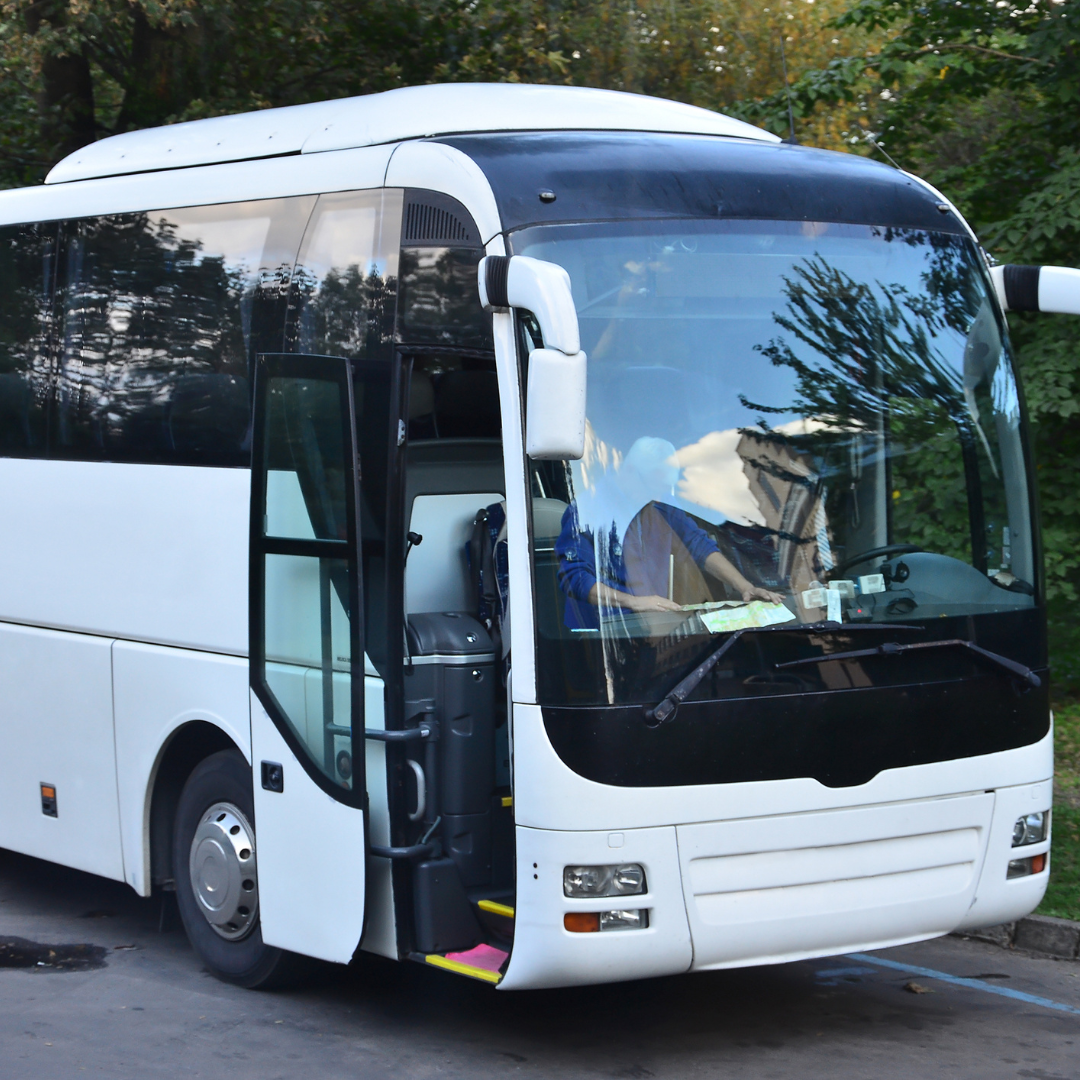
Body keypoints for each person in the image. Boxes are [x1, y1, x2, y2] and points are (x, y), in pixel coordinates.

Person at [555, 436, 784, 630]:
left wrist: (745, 586)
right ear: (630, 471)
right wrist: (634, 602)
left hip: (652, 626)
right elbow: (575, 577)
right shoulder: (587, 510)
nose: (661, 497)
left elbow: (697, 543)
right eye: (655, 488)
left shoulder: (661, 499)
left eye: (666, 490)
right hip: (601, 634)